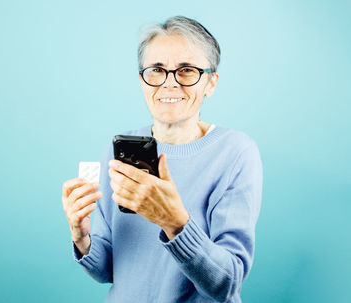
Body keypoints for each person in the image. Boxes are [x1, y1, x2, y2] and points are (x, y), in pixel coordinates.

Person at [61, 15, 263, 303]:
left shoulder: (235, 153)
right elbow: (106, 270)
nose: (169, 83)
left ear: (210, 83)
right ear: (142, 80)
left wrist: (174, 222)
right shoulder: (117, 152)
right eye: (157, 69)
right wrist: (82, 238)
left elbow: (226, 284)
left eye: (187, 70)